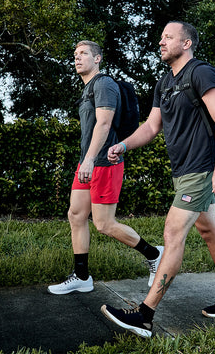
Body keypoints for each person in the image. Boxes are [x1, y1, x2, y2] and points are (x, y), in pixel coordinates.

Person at [101, 22, 215, 337]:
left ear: (187, 42)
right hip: (183, 171)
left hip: (202, 167)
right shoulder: (165, 82)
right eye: (162, 36)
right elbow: (152, 127)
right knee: (209, 232)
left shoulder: (202, 73)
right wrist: (124, 144)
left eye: (168, 37)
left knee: (172, 233)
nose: (161, 41)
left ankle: (144, 315)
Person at [47, 40, 163, 295]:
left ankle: (154, 254)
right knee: (76, 215)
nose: (77, 58)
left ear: (97, 58)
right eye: (75, 54)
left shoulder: (104, 84)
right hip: (87, 162)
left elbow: (104, 124)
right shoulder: (88, 88)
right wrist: (85, 160)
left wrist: (89, 160)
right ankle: (81, 276)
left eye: (83, 54)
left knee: (104, 224)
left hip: (103, 163)